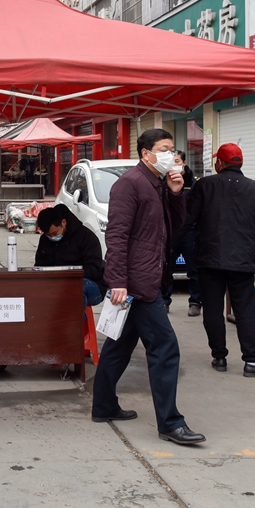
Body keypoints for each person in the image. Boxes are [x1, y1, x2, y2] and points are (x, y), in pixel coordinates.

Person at [91, 129, 205, 446]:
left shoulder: (157, 182)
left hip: (148, 275)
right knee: (165, 349)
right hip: (138, 283)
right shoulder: (129, 184)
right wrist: (117, 281)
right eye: (164, 149)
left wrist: (176, 192)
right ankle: (170, 423)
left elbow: (174, 226)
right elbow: (116, 235)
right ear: (146, 153)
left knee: (119, 345)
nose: (171, 155)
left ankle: (103, 405)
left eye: (173, 149)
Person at [186, 143, 255, 377]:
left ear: (220, 163)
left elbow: (187, 219)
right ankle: (252, 360)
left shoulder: (204, 186)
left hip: (209, 258)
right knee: (245, 309)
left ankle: (219, 357)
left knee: (213, 309)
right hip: (243, 259)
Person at [33, 204, 105, 307]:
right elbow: (39, 267)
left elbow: (94, 270)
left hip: (91, 284)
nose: (52, 237)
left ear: (64, 222)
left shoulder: (86, 237)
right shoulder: (45, 240)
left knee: (72, 289)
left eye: (54, 233)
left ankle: (73, 318)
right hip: (55, 285)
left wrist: (66, 276)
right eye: (49, 235)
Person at [163, 151, 202, 316]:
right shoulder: (164, 182)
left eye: (177, 161)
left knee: (194, 270)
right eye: (172, 162)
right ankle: (164, 301)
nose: (174, 165)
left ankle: (195, 302)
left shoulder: (194, 184)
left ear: (184, 163)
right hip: (170, 232)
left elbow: (195, 211)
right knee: (166, 270)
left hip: (189, 233)